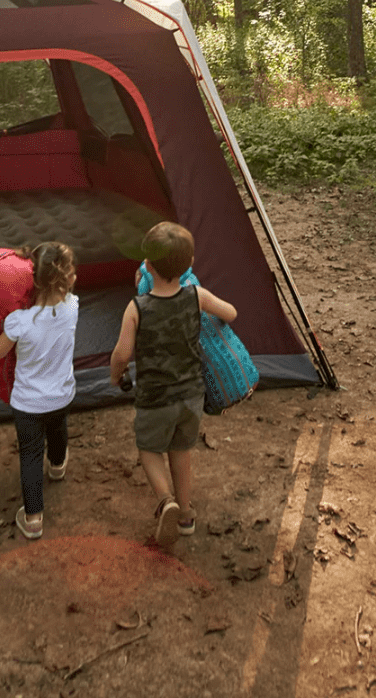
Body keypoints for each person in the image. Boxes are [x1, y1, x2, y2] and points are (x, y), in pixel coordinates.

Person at [109, 222, 236, 548]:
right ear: (190, 263)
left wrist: (116, 375)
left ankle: (166, 500)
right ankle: (186, 515)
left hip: (155, 398)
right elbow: (231, 313)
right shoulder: (197, 296)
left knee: (150, 449)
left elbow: (122, 353)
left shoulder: (136, 308)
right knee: (181, 451)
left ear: (147, 265)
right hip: (192, 394)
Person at [0, 242, 79, 540]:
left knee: (31, 455)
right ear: (66, 279)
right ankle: (59, 466)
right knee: (58, 428)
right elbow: (65, 298)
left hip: (27, 403)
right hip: (61, 395)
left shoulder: (18, 323)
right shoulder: (73, 308)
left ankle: (34, 518)